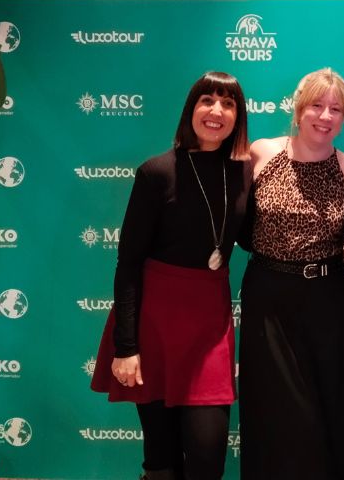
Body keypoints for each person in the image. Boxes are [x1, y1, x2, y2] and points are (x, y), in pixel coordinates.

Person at [91, 72, 252, 480]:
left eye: (228, 103)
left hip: (210, 326)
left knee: (207, 456)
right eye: (207, 100)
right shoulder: (156, 172)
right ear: (190, 109)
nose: (216, 111)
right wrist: (127, 347)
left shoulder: (244, 172)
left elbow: (252, 235)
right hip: (154, 326)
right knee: (161, 456)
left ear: (238, 117)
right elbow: (128, 263)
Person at [238, 68, 344, 480]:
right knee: (271, 412)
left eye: (336, 109)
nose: (325, 116)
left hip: (330, 302)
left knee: (328, 413)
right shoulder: (261, 153)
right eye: (316, 105)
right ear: (298, 109)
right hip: (268, 300)